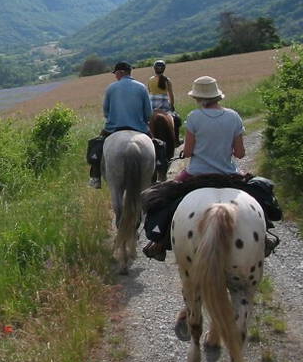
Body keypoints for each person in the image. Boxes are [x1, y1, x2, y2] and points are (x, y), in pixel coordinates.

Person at [142, 76, 281, 261]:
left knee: (166, 197)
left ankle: (158, 242)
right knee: (256, 197)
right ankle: (263, 237)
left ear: (198, 98)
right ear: (217, 96)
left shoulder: (194, 117)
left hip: (196, 173)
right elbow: (240, 153)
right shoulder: (233, 116)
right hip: (229, 174)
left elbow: (189, 151)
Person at [87, 61, 153, 189]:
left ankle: (95, 178)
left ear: (120, 72)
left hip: (114, 128)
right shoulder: (141, 87)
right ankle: (157, 176)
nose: (115, 76)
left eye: (116, 73)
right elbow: (148, 113)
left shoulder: (111, 88)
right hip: (139, 127)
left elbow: (106, 112)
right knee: (155, 144)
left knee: (96, 145)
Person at [147, 59, 181, 145]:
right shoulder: (167, 80)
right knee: (176, 119)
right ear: (164, 68)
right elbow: (171, 95)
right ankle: (176, 140)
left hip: (152, 105)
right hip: (164, 105)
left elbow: (149, 91)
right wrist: (172, 105)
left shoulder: (150, 79)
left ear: (154, 69)